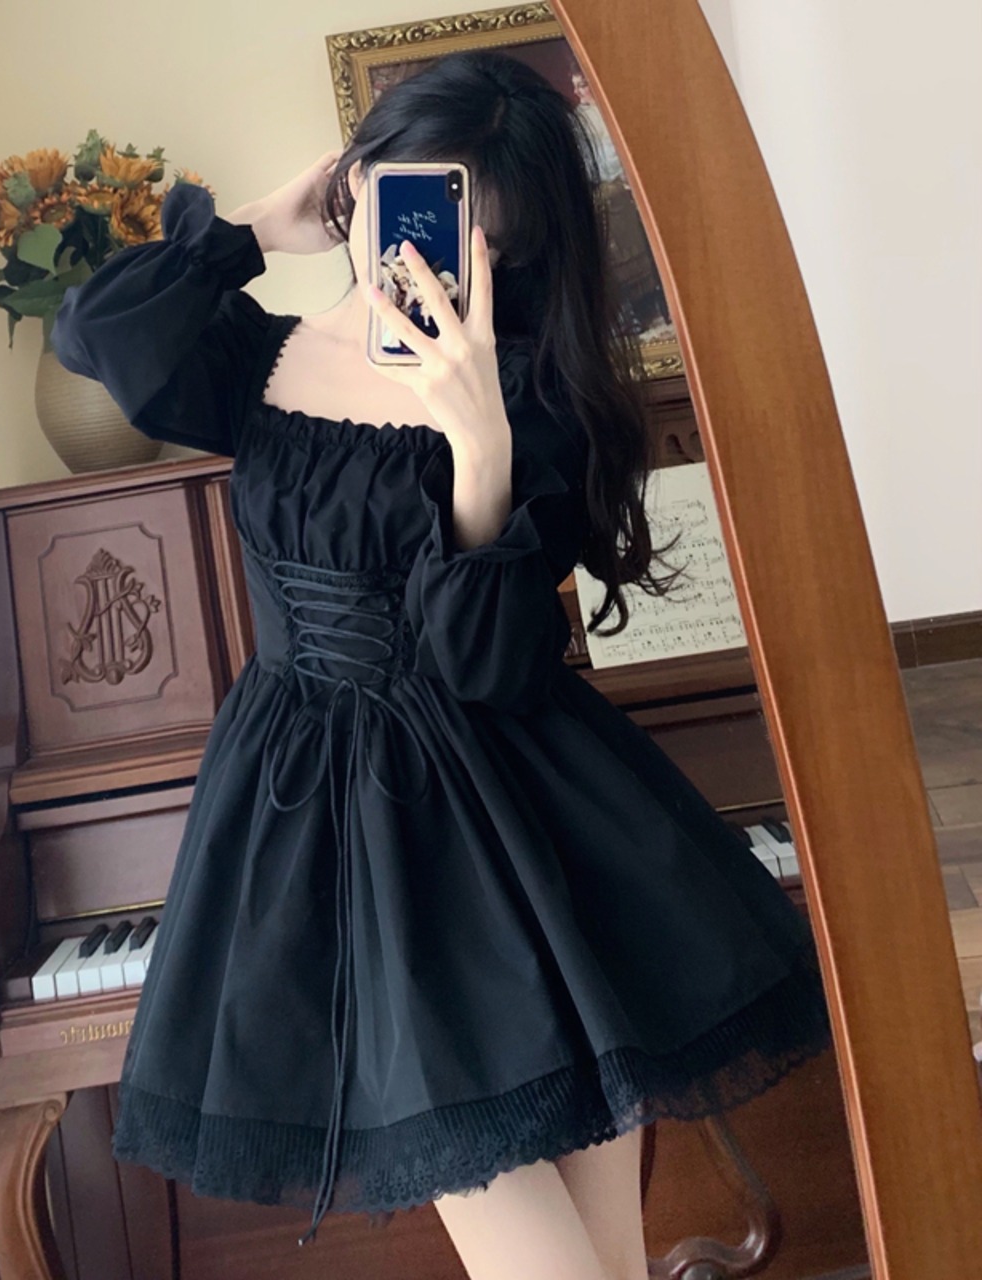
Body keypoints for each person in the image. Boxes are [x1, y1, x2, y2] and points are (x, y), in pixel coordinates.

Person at [49, 48, 832, 1280]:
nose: (430, 257)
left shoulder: (534, 399)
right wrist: (256, 228)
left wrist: (478, 446)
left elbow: (482, 662)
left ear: (516, 249)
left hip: (510, 824)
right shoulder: (257, 361)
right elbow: (94, 331)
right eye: (413, 205)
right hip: (313, 830)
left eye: (481, 237)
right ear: (358, 181)